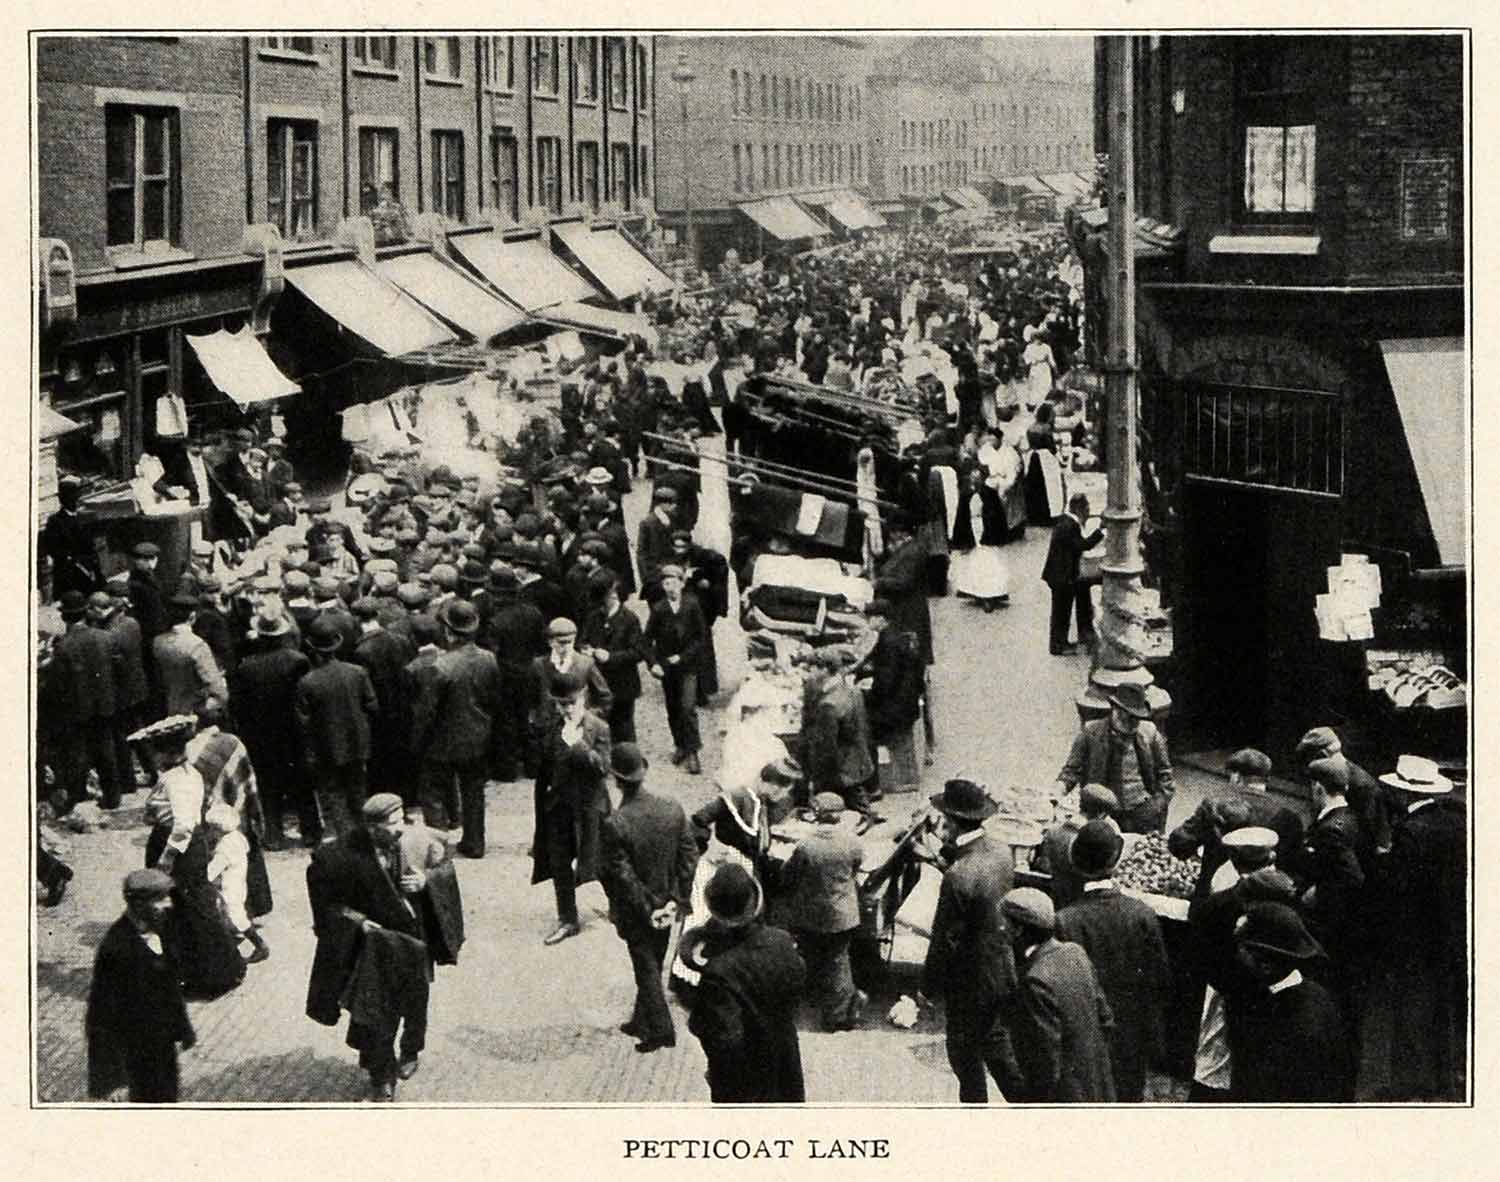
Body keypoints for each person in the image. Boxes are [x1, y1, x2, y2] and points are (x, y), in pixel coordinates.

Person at [305, 793, 464, 1102]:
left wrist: (426, 881)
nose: (401, 828)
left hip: (415, 941)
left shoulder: (418, 840)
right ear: (371, 828)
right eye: (392, 824)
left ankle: (411, 1049)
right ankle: (382, 1075)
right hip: (373, 946)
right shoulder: (339, 855)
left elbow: (445, 866)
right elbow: (327, 906)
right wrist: (359, 922)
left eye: (402, 819)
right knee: (377, 1012)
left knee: (416, 1002)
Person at [1365, 755, 1467, 1100]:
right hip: (1449, 931)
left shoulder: (1412, 833)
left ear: (1403, 793)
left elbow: (1399, 889)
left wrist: (1382, 861)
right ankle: (1443, 1081)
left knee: (1410, 1012)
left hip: (1415, 937)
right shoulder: (1456, 823)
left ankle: (1407, 1086)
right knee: (1442, 1011)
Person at [1055, 821, 1170, 1102]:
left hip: (1083, 1043)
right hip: (1130, 1041)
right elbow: (1160, 982)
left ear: (1076, 863)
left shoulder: (1065, 921)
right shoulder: (1143, 914)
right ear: (1116, 862)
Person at [922, 777, 1019, 1103]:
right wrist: (943, 852)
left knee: (964, 1055)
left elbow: (944, 939)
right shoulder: (1002, 851)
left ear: (950, 821)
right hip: (1001, 967)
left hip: (969, 980)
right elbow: (977, 872)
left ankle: (975, 1113)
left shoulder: (957, 877)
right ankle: (1031, 1104)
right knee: (995, 1043)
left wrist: (926, 989)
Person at [598, 743, 699, 1053]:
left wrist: (649, 909)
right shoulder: (672, 808)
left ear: (616, 780)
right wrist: (676, 900)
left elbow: (623, 877)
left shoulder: (616, 823)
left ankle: (660, 1031)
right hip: (668, 904)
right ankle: (641, 1018)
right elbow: (689, 856)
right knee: (654, 959)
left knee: (646, 967)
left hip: (638, 911)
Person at [1186, 833, 1296, 1102]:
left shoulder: (1219, 903)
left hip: (1224, 991)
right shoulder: (1282, 896)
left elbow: (1199, 953)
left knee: (1214, 1060)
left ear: (1234, 861)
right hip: (1264, 995)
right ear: (1269, 858)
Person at [687, 863, 807, 1103]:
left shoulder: (718, 972)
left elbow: (725, 1040)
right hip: (785, 1061)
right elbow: (798, 984)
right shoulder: (782, 940)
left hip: (745, 1082)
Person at [1224, 901, 1354, 1102]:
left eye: (1242, 950)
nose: (1235, 956)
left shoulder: (1298, 1025)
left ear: (1266, 966)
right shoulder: (1309, 993)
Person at [86, 869, 196, 1102]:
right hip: (134, 1055)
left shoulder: (160, 928)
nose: (168, 904)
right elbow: (100, 1017)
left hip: (162, 1047)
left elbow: (169, 990)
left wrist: (181, 1031)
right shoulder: (116, 948)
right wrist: (112, 1080)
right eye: (159, 899)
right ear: (138, 904)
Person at [999, 887, 1117, 1103]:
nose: (1000, 928)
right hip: (1097, 1088)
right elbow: (1106, 1020)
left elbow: (1044, 1068)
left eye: (1004, 922)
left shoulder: (1035, 981)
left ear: (1019, 930)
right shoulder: (1075, 952)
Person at [411, 600, 503, 857]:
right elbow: (493, 698)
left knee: (433, 792)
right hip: (478, 736)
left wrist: (417, 741)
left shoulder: (440, 668)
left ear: (449, 632)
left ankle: (437, 847)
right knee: (473, 792)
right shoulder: (489, 659)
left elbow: (426, 712)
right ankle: (475, 843)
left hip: (442, 741)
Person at [531, 672, 613, 946]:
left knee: (602, 860)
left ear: (583, 699)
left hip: (590, 808)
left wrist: (576, 744)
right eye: (560, 704)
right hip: (559, 807)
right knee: (559, 863)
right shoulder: (552, 727)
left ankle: (619, 906)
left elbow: (602, 767)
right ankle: (568, 919)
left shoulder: (598, 728)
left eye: (571, 703)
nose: (565, 709)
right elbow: (542, 766)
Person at [781, 792, 868, 1032]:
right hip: (843, 915)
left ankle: (825, 1007)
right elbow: (858, 865)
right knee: (839, 961)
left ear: (815, 814)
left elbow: (790, 875)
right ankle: (839, 1012)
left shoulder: (806, 846)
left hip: (812, 915)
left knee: (816, 956)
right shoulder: (852, 842)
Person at [1168, 748, 1306, 898]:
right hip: (1265, 900)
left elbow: (1179, 844)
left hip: (1214, 899)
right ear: (1266, 779)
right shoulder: (1289, 817)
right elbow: (1293, 870)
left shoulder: (1214, 805)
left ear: (1236, 777)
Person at [230, 610, 312, 850]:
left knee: (268, 785)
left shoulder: (247, 667)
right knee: (302, 783)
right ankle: (310, 830)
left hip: (261, 735)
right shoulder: (298, 661)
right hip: (293, 732)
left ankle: (274, 835)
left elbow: (238, 706)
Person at [294, 616, 379, 843]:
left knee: (334, 796)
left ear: (311, 647)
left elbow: (304, 723)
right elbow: (372, 706)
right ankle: (363, 838)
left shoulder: (307, 682)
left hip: (326, 749)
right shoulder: (357, 672)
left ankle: (344, 841)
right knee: (358, 792)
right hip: (358, 744)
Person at [1054, 684, 1174, 834]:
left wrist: (1158, 803)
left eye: (1137, 718)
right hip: (1102, 812)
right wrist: (1058, 791)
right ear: (1115, 710)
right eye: (1129, 718)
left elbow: (1166, 776)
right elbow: (1071, 771)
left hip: (1143, 811)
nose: (1133, 724)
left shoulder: (1150, 733)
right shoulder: (1091, 732)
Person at [50, 591, 123, 810]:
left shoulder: (63, 646)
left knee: (77, 753)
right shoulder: (105, 637)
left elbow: (58, 685)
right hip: (106, 704)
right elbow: (120, 669)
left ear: (64, 617)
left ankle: (77, 796)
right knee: (106, 751)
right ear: (86, 614)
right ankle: (112, 796)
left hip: (77, 708)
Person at [643, 564, 707, 774]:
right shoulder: (659, 609)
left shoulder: (692, 605)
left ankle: (693, 751)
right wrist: (653, 664)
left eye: (673, 582)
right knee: (673, 709)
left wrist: (683, 656)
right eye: (665, 583)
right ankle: (680, 745)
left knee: (688, 707)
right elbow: (646, 641)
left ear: (682, 583)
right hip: (667, 669)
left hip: (688, 666)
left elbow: (701, 638)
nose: (669, 587)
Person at [350, 597, 416, 798]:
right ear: (377, 615)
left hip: (380, 713)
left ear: (356, 620)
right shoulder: (400, 640)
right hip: (403, 707)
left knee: (381, 758)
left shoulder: (361, 651)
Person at [800, 650, 878, 819]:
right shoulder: (852, 690)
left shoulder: (828, 705)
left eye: (811, 669)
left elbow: (826, 746)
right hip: (856, 759)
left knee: (844, 807)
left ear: (824, 670)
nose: (808, 674)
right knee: (858, 801)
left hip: (839, 770)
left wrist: (816, 776)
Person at [860, 598, 924, 796]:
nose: (868, 622)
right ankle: (907, 778)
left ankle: (876, 785)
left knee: (864, 730)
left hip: (894, 707)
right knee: (900, 740)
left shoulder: (887, 642)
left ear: (880, 619)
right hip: (907, 702)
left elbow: (886, 682)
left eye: (870, 618)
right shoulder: (899, 634)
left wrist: (868, 695)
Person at [579, 572, 645, 743]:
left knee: (624, 729)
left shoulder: (630, 619)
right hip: (598, 684)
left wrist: (610, 657)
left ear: (612, 595)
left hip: (623, 684)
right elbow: (582, 641)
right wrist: (586, 650)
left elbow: (638, 652)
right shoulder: (593, 617)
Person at [1030, 783, 1120, 908]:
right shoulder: (1096, 842)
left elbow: (1045, 864)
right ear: (1101, 815)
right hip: (1086, 904)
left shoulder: (1054, 831)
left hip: (1057, 899)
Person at [203, 801, 270, 965]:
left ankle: (259, 945)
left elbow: (212, 871)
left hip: (228, 888)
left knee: (235, 916)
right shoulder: (238, 838)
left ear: (218, 829)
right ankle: (233, 943)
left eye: (211, 828)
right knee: (230, 917)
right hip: (239, 883)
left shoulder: (224, 848)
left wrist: (201, 876)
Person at [1040, 492, 1102, 655]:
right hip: (1062, 576)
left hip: (1058, 574)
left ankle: (1060, 643)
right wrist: (1101, 530)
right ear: (1080, 510)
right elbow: (1083, 545)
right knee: (1061, 612)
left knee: (1061, 612)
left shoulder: (1065, 522)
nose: (1088, 513)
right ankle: (1058, 646)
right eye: (1087, 510)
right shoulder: (1070, 526)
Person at [153, 591, 227, 718]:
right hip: (197, 710)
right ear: (192, 616)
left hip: (172, 707)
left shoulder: (158, 642)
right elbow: (218, 691)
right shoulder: (197, 645)